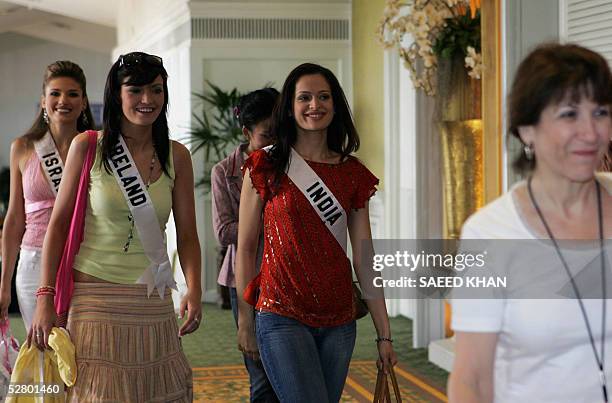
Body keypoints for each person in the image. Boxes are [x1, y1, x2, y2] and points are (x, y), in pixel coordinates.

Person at [29, 52, 201, 401]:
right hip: (94, 298)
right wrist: (44, 296)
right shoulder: (87, 146)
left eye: (156, 90)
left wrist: (194, 289)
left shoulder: (176, 155)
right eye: (135, 90)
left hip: (152, 300)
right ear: (117, 94)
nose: (147, 100)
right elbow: (58, 227)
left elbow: (187, 235)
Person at [448, 43, 612, 402]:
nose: (590, 131)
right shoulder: (490, 233)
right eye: (569, 114)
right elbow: (471, 380)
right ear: (527, 130)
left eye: (600, 111)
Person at [235, 63, 397, 402]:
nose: (315, 105)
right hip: (280, 313)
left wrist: (384, 334)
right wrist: (245, 320)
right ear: (291, 108)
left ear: (335, 105)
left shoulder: (352, 173)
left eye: (324, 97)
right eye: (304, 97)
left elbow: (365, 258)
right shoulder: (265, 165)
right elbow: (247, 248)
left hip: (339, 319)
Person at [0, 61, 94, 331]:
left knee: (83, 349)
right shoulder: (23, 147)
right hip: (33, 262)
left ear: (84, 102)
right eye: (55, 93)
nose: (63, 100)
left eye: (73, 94)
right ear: (43, 101)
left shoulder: (95, 147)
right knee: (43, 353)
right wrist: (3, 285)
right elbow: (15, 219)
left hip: (84, 259)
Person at [212, 87, 279, 402]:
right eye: (267, 134)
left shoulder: (293, 162)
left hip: (288, 275)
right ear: (246, 132)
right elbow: (224, 231)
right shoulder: (225, 172)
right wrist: (272, 220)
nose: (275, 141)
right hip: (247, 277)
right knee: (261, 376)